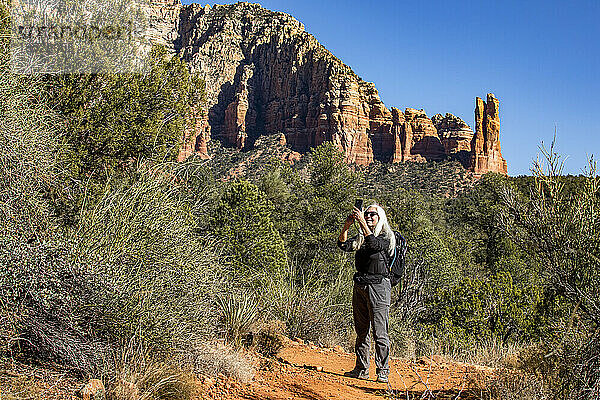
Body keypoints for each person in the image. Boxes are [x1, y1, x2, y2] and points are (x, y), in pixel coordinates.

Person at [337, 203, 395, 383]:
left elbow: (375, 245)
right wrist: (347, 225)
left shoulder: (387, 236)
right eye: (366, 214)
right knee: (362, 330)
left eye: (372, 214)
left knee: (380, 332)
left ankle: (383, 370)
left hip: (378, 286)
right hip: (361, 285)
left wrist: (361, 221)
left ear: (380, 218)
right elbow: (343, 245)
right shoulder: (361, 236)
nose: (368, 216)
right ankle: (361, 369)